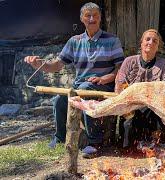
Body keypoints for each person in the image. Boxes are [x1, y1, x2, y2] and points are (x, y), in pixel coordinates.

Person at [24, 2, 124, 157]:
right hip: (79, 87)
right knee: (60, 99)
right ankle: (60, 137)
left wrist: (106, 78)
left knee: (85, 91)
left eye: (95, 15)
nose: (92, 18)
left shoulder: (112, 40)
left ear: (100, 18)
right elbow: (56, 65)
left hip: (103, 87)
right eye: (88, 15)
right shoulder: (74, 41)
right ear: (81, 19)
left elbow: (121, 68)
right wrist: (38, 64)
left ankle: (94, 142)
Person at [115, 29, 165, 149]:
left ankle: (154, 145)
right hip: (131, 103)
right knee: (128, 146)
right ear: (141, 43)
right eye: (147, 39)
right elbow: (120, 82)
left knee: (158, 115)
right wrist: (133, 99)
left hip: (152, 104)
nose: (150, 42)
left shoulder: (164, 64)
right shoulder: (129, 61)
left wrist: (147, 97)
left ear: (158, 47)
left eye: (155, 41)